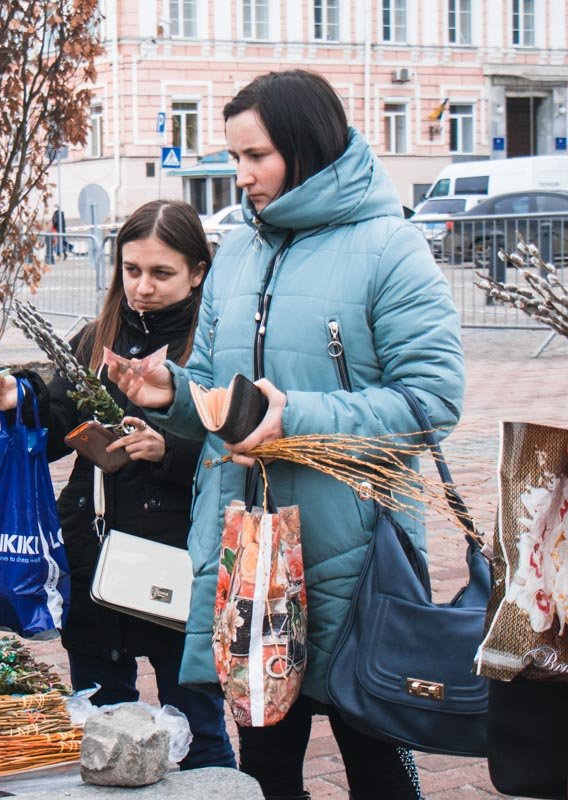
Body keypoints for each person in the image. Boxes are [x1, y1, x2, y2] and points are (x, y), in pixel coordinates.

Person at [110, 70, 465, 800]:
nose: (240, 177)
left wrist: (294, 415)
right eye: (234, 157)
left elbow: (432, 399)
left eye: (256, 157)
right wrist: (172, 394)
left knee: (376, 763)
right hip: (249, 552)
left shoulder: (388, 246)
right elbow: (214, 390)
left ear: (306, 148)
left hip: (359, 554)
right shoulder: (239, 250)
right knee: (266, 766)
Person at [0, 200, 235, 771]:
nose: (142, 287)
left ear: (198, 272)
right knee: (102, 726)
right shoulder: (97, 337)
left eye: (162, 273)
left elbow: (238, 448)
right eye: (131, 269)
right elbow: (52, 429)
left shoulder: (215, 346)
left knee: (197, 725)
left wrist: (170, 449)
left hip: (178, 556)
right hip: (93, 548)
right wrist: (21, 399)